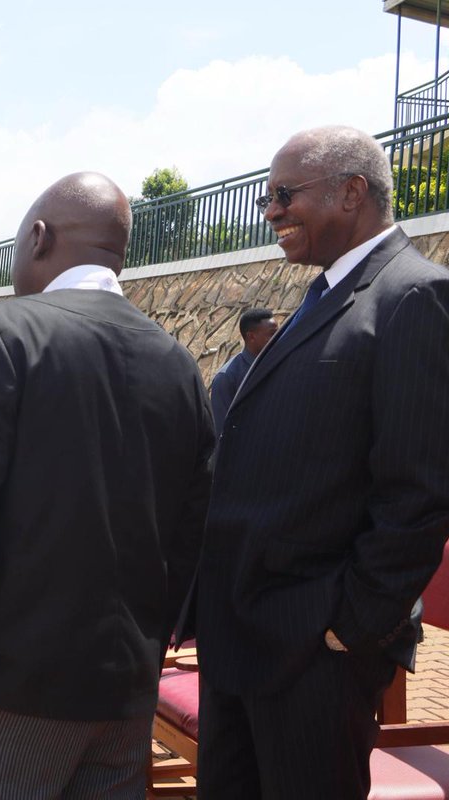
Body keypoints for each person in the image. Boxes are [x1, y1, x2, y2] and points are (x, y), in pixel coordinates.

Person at [0, 172, 215, 799]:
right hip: (122, 694)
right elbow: (191, 532)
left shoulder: (2, 333)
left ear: (39, 238)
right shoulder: (178, 361)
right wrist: (145, 657)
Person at [192, 126, 449, 799]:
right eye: (265, 198)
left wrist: (347, 629)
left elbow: (419, 491)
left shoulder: (413, 295)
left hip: (312, 651)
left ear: (351, 193)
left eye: (283, 194)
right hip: (244, 639)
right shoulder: (324, 295)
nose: (271, 211)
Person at [209, 308, 277, 433]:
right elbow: (223, 432)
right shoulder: (227, 378)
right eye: (272, 334)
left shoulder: (278, 366)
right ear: (251, 337)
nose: (277, 338)